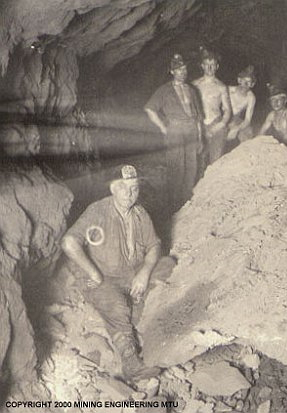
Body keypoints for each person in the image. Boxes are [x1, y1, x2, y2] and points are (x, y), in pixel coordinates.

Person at [61, 165, 171, 381]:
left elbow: (154, 245)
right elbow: (69, 242)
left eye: (134, 188)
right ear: (113, 188)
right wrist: (93, 274)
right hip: (104, 278)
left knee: (167, 264)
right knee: (116, 304)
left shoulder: (140, 214)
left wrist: (144, 272)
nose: (130, 194)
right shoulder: (98, 211)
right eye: (124, 188)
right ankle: (131, 364)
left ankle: (136, 314)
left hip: (131, 274)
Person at [144, 53, 203, 213]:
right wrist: (163, 128)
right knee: (176, 166)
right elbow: (149, 109)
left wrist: (199, 136)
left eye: (184, 69)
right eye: (178, 69)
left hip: (191, 128)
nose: (182, 72)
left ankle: (187, 197)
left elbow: (197, 116)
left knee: (191, 164)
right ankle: (174, 203)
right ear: (172, 71)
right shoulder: (164, 90)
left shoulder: (191, 90)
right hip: (175, 129)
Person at [192, 47, 232, 165]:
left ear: (217, 67)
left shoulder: (221, 87)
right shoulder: (194, 85)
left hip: (216, 124)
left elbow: (227, 110)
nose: (209, 68)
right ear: (202, 66)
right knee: (197, 160)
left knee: (216, 161)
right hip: (199, 125)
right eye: (207, 64)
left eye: (212, 65)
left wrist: (221, 124)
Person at [259, 84, 287, 149]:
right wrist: (256, 141)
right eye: (273, 100)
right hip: (281, 145)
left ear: (285, 100)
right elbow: (262, 131)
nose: (275, 102)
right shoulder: (272, 115)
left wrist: (280, 147)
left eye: (279, 99)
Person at [226, 65, 257, 151]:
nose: (245, 84)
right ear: (239, 80)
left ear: (252, 84)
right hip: (222, 116)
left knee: (248, 132)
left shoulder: (251, 97)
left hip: (235, 119)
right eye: (244, 81)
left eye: (249, 82)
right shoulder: (229, 90)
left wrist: (237, 129)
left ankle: (244, 155)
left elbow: (247, 120)